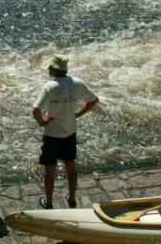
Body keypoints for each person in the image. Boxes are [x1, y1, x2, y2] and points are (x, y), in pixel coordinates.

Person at [32, 54, 99, 210]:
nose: (48, 68)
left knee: (50, 170)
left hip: (52, 134)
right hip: (70, 131)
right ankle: (72, 198)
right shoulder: (77, 83)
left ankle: (49, 202)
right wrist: (78, 114)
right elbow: (94, 100)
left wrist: (42, 121)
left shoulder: (50, 86)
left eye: (50, 66)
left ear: (57, 69)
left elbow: (35, 110)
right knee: (70, 166)